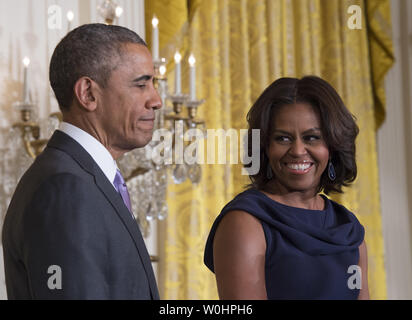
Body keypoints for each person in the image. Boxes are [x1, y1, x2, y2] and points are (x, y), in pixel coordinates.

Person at [2, 23, 162, 299]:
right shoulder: (64, 188)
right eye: (141, 84)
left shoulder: (81, 178)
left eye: (153, 84)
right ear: (88, 94)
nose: (156, 100)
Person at [204, 76, 369, 300]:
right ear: (265, 147)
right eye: (283, 138)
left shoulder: (349, 229)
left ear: (333, 146)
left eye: (312, 137)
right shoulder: (245, 222)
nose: (298, 150)